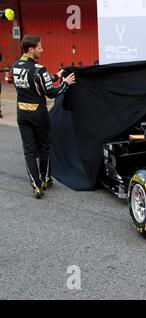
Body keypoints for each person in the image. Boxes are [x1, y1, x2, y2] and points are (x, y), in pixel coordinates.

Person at [12, 35, 76, 199]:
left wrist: (54, 76)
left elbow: (33, 83)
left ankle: (36, 186)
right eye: (39, 47)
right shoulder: (39, 69)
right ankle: (46, 178)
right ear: (31, 49)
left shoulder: (15, 67)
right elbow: (51, 92)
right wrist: (65, 83)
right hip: (38, 114)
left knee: (29, 150)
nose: (42, 50)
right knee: (44, 147)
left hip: (22, 113)